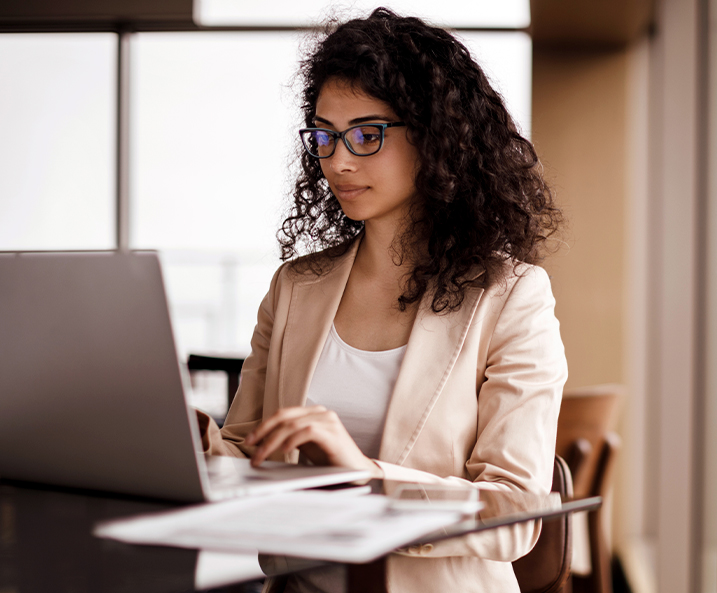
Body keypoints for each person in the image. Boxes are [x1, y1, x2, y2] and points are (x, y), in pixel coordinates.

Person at [199, 7, 567, 593]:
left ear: (437, 137)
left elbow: (515, 515)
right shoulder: (295, 288)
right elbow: (249, 457)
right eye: (325, 135)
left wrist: (364, 476)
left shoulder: (511, 297)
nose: (338, 161)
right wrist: (195, 441)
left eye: (367, 135)